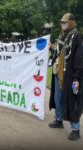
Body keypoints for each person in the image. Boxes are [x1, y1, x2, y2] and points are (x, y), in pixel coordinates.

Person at [49, 13, 83, 141]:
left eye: (65, 22)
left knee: (72, 101)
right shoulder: (61, 36)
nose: (62, 24)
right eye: (62, 22)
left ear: (71, 22)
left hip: (70, 75)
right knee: (58, 98)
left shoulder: (77, 36)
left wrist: (77, 77)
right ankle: (58, 120)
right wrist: (51, 51)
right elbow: (59, 53)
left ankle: (75, 129)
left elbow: (79, 57)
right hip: (58, 72)